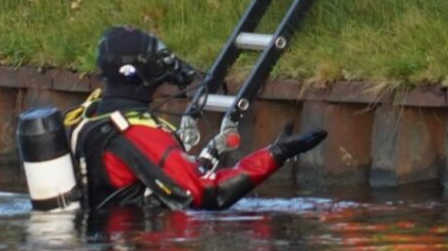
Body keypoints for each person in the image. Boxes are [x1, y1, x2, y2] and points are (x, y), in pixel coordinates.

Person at [65, 26, 327, 212]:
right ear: (138, 73)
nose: (166, 65)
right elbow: (206, 194)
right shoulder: (139, 133)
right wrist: (275, 155)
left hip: (106, 248)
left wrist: (209, 153)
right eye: (157, 59)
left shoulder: (91, 114)